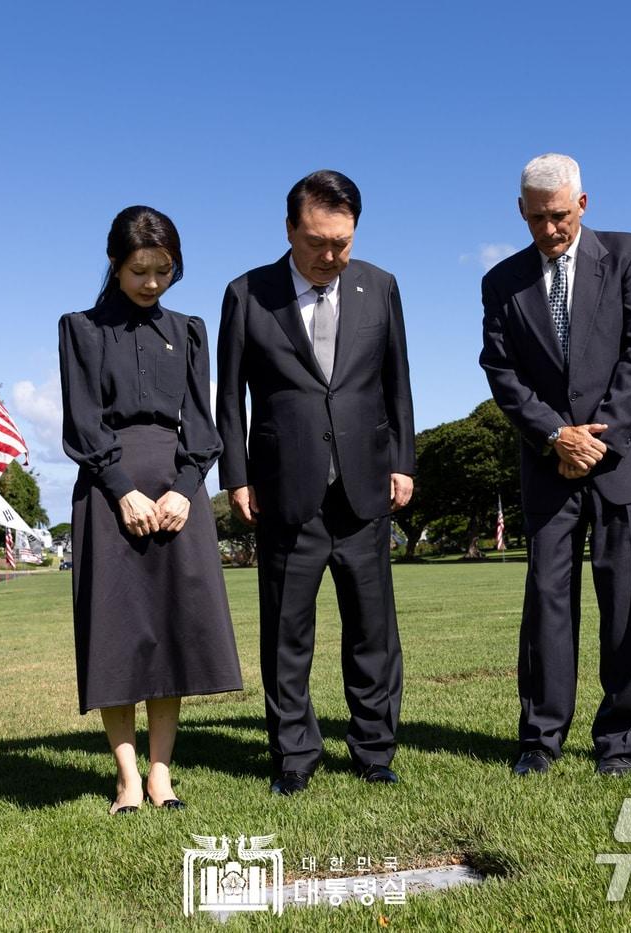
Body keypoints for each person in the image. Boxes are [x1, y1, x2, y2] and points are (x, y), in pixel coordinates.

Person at [479, 154, 631, 777]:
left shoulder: (630, 254)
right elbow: (501, 370)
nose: (550, 230)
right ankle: (540, 740)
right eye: (538, 218)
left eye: (561, 216)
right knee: (547, 603)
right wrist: (555, 436)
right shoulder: (500, 281)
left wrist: (601, 438)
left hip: (629, 457)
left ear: (583, 205)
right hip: (549, 462)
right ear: (521, 211)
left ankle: (620, 742)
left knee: (630, 603)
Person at [216, 170, 416, 795]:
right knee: (286, 636)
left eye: (343, 242)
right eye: (317, 242)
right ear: (289, 229)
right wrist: (237, 476)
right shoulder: (247, 293)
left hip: (365, 489)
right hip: (284, 491)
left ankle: (374, 751)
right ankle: (294, 759)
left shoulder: (380, 287)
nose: (331, 255)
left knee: (373, 632)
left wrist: (403, 461)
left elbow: (397, 384)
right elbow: (229, 398)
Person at [59, 206, 242, 814]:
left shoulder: (188, 330)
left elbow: (203, 422)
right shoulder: (80, 329)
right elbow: (83, 421)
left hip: (176, 495)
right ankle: (127, 780)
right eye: (140, 271)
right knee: (117, 638)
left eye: (164, 271)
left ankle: (162, 776)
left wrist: (186, 488)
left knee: (170, 635)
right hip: (107, 494)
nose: (152, 283)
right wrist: (120, 487)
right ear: (115, 264)